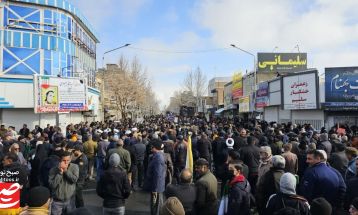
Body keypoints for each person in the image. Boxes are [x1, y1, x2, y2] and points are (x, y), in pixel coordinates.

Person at [48, 150, 79, 215]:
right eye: (64, 160)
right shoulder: (53, 170)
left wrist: (66, 171)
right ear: (60, 160)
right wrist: (60, 173)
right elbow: (52, 185)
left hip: (70, 200)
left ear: (70, 159)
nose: (66, 162)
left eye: (68, 160)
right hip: (57, 202)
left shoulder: (74, 167)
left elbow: (74, 179)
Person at [144, 139, 166, 215]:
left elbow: (158, 175)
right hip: (156, 186)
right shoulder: (156, 156)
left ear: (155, 147)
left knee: (156, 206)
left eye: (152, 146)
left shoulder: (158, 158)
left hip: (157, 187)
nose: (151, 147)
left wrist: (155, 189)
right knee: (155, 205)